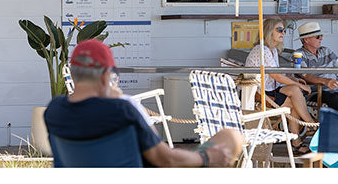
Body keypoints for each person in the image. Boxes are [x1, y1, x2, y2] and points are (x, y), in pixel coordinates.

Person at [44, 39, 241, 167]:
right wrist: (206, 158)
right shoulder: (122, 110)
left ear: (73, 75)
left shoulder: (54, 111)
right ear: (106, 76)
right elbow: (166, 159)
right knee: (231, 137)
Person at [245, 17, 315, 153]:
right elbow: (275, 76)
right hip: (258, 95)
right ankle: (310, 125)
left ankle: (298, 139)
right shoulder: (262, 50)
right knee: (295, 94)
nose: (283, 33)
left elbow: (277, 76)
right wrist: (299, 85)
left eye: (284, 30)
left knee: (295, 97)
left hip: (269, 91)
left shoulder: (272, 50)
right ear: (269, 31)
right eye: (280, 30)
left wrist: (295, 81)